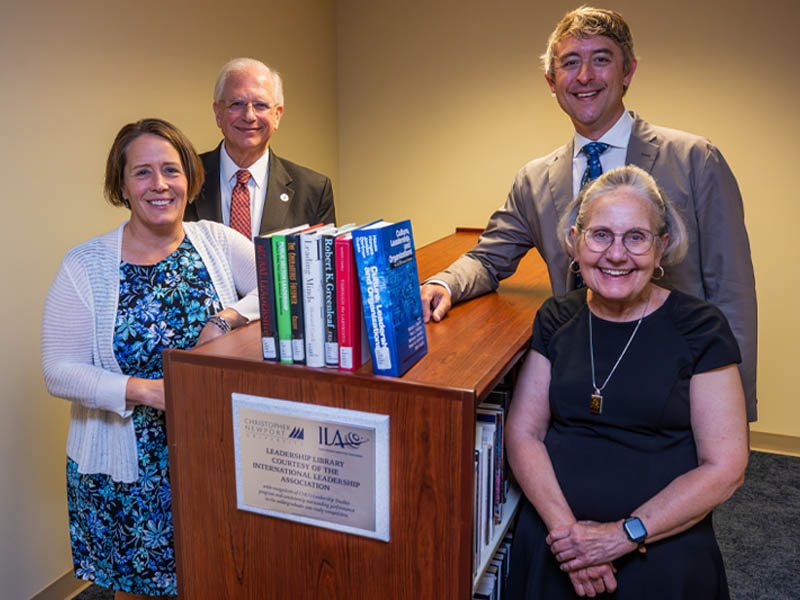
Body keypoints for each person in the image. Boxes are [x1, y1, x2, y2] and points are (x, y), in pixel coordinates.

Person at [420, 6, 758, 422]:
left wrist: (734, 408)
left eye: (601, 59)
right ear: (551, 80)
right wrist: (443, 285)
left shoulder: (694, 159)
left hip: (674, 378)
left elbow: (731, 291)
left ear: (627, 72)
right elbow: (487, 258)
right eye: (570, 63)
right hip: (581, 375)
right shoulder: (535, 180)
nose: (584, 77)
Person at [504, 165, 748, 599]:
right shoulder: (557, 317)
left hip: (660, 538)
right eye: (600, 235)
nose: (616, 254)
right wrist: (570, 538)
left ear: (662, 247)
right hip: (557, 536)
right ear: (575, 240)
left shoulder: (700, 328)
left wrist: (623, 535)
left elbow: (725, 467)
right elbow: (524, 433)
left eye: (636, 237)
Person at [41, 118, 259, 599]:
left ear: (189, 178)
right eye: (142, 172)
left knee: (224, 574)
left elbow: (279, 288)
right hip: (125, 468)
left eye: (171, 170)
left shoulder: (218, 242)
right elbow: (58, 370)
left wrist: (226, 318)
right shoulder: (86, 265)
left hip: (214, 453)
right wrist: (147, 392)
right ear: (121, 185)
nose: (159, 185)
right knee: (140, 591)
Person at [184, 57, 336, 238]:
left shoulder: (313, 190)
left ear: (277, 115)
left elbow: (325, 265)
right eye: (236, 104)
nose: (249, 116)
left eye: (261, 105)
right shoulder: (184, 177)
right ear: (218, 113)